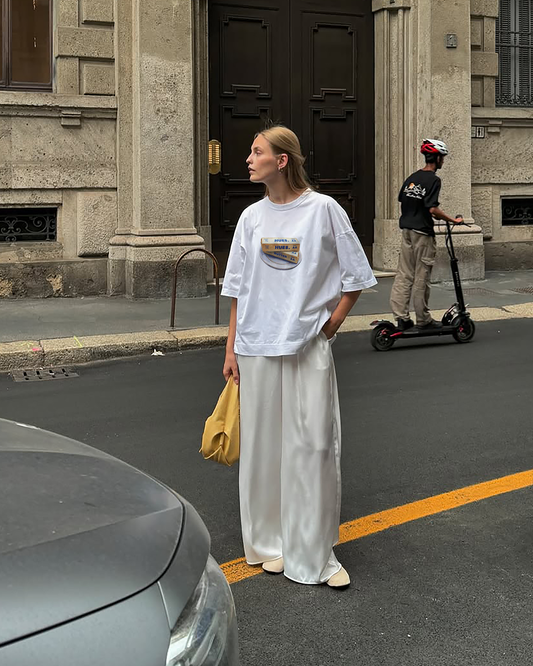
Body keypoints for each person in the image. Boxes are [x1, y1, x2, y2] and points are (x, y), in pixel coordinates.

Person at [221, 125, 376, 589]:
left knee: (313, 446)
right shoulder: (251, 217)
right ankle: (271, 543)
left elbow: (356, 276)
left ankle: (313, 552)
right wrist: (230, 348)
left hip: (307, 344)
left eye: (257, 152)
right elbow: (237, 289)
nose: (248, 159)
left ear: (282, 160)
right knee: (263, 451)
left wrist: (330, 325)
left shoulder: (323, 210)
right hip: (255, 347)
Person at [389, 139, 463, 331]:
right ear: (437, 158)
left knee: (404, 274)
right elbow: (432, 209)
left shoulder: (412, 178)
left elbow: (404, 200)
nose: (443, 161)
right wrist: (452, 220)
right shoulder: (434, 180)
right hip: (422, 233)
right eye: (442, 158)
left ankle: (401, 317)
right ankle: (423, 319)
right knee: (422, 276)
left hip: (407, 230)